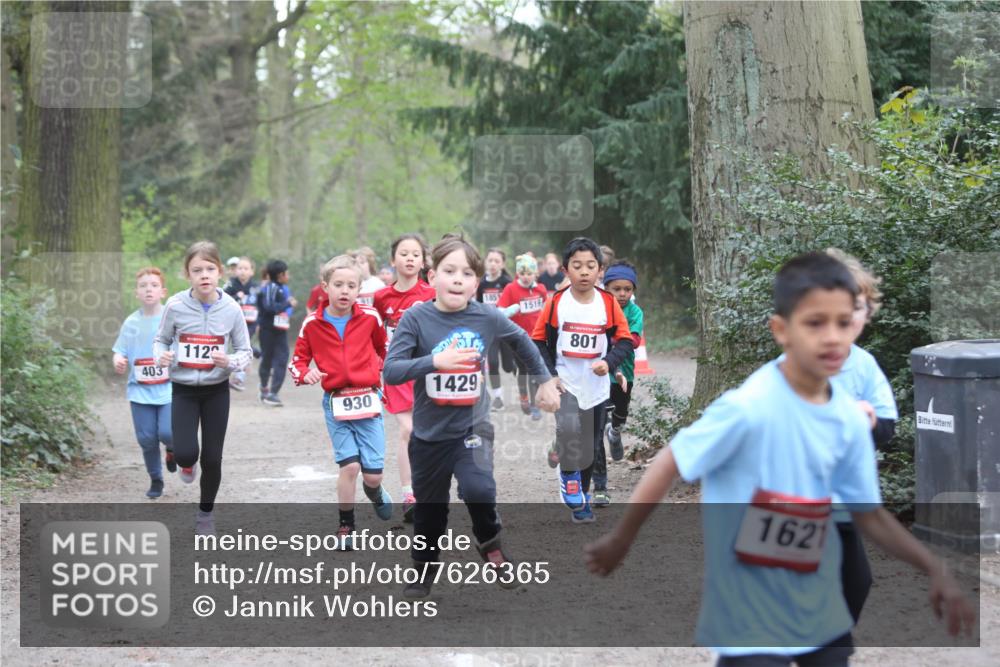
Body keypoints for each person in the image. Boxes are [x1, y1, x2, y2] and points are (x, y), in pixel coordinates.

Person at [585, 252, 975, 666]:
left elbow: (869, 514)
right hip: (749, 622)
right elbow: (671, 461)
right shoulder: (749, 407)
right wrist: (622, 538)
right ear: (781, 330)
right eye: (814, 323)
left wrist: (935, 569)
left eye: (843, 323)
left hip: (820, 614)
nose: (832, 337)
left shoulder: (848, 418)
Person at [383, 235, 561, 598]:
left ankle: (490, 543)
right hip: (430, 435)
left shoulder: (487, 316)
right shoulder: (417, 318)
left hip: (472, 426)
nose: (458, 279)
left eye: (467, 273)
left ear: (477, 283)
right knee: (430, 516)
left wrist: (544, 381)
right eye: (450, 271)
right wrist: (434, 361)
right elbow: (392, 370)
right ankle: (423, 569)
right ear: (432, 277)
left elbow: (523, 343)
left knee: (480, 488)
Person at [290, 255, 393, 548]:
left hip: (368, 400)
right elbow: (297, 361)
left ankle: (374, 492)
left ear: (360, 288)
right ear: (325, 287)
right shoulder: (312, 324)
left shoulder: (370, 318)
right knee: (349, 467)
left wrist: (388, 371)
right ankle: (346, 527)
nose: (345, 291)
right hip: (336, 402)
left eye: (351, 285)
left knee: (372, 475)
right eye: (338, 285)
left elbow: (384, 348)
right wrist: (304, 374)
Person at [531, 237, 634, 523]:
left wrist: (608, 362)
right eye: (577, 266)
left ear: (601, 270)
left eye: (591, 266)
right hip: (565, 381)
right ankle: (568, 476)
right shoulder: (556, 303)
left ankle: (582, 499)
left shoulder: (608, 303)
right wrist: (550, 377)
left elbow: (625, 342)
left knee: (589, 445)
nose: (585, 272)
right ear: (566, 270)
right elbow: (538, 342)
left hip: (597, 387)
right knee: (568, 428)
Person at [155, 241, 252, 534]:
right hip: (183, 389)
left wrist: (230, 361)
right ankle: (183, 460)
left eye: (210, 269)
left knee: (212, 457)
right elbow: (161, 340)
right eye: (197, 270)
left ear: (220, 272)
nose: (204, 275)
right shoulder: (175, 306)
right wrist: (162, 356)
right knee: (187, 453)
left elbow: (246, 351)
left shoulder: (231, 308)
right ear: (188, 275)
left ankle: (205, 514)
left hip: (216, 391)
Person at [825, 248, 899, 624]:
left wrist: (868, 422)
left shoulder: (864, 365)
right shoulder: (788, 367)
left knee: (857, 582)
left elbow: (887, 427)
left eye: (855, 307)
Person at [374, 234, 436, 522]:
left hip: (427, 371)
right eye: (404, 253)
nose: (410, 259)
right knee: (407, 430)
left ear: (423, 261)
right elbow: (373, 337)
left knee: (429, 433)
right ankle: (410, 494)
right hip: (397, 372)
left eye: (415, 254)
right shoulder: (381, 298)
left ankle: (428, 490)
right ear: (392, 260)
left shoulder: (431, 294)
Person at [112, 267, 174, 499]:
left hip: (168, 387)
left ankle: (172, 449)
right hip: (140, 390)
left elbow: (182, 347)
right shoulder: (131, 322)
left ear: (163, 291)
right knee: (147, 439)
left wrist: (171, 356)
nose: (149, 289)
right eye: (143, 286)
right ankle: (156, 479)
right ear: (136, 292)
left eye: (154, 285)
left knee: (167, 433)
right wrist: (118, 360)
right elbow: (119, 350)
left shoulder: (171, 318)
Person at [594, 260, 644, 507]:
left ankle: (615, 434)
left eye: (628, 289)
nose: (623, 294)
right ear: (607, 288)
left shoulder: (635, 313)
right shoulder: (597, 308)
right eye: (617, 289)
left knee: (621, 416)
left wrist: (613, 342)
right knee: (597, 421)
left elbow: (632, 341)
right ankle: (599, 485)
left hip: (625, 372)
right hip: (601, 375)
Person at [496, 253, 548, 420]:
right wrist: (510, 310)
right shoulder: (511, 288)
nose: (525, 277)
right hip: (517, 337)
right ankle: (524, 397)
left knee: (534, 370)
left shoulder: (540, 289)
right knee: (523, 370)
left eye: (529, 273)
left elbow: (546, 308)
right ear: (518, 273)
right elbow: (499, 311)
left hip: (536, 337)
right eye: (522, 273)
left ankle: (534, 405)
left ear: (535, 274)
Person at [477, 247, 515, 411]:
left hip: (505, 328)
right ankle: (497, 397)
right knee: (492, 362)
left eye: (496, 261)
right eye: (490, 260)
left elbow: (514, 305)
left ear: (502, 264)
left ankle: (513, 364)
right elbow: (478, 304)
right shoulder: (482, 283)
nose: (492, 264)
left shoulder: (507, 282)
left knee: (507, 366)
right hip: (489, 329)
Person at [256, 259, 297, 407]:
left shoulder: (281, 288)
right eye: (287, 273)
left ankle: (274, 393)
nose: (289, 275)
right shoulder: (270, 288)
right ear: (281, 275)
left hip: (280, 331)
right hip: (267, 330)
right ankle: (264, 388)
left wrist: (288, 306)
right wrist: (287, 304)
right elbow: (269, 307)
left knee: (282, 359)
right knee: (267, 359)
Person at [223, 256, 260, 391]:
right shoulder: (230, 284)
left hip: (250, 323)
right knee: (231, 346)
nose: (243, 271)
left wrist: (260, 323)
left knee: (243, 347)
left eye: (246, 268)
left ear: (252, 271)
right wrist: (236, 297)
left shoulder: (256, 287)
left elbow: (260, 306)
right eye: (240, 268)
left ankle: (239, 378)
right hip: (232, 322)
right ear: (235, 270)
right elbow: (221, 299)